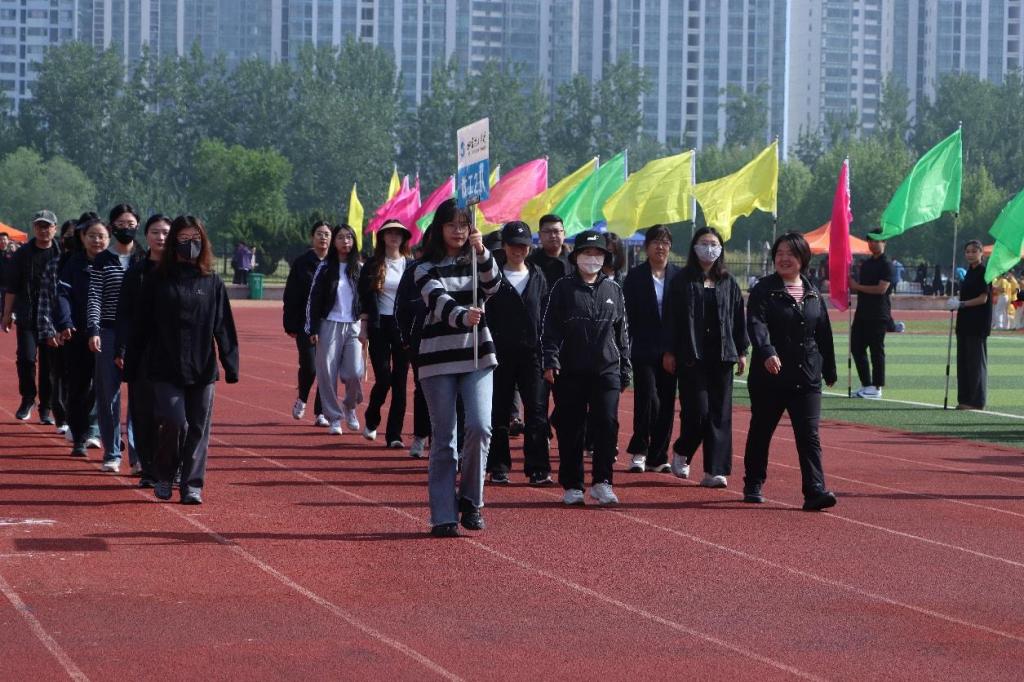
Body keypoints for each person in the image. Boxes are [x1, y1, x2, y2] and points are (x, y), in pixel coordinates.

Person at [134, 215, 238, 504]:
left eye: (195, 239)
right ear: (173, 242)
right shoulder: (156, 280)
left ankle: (192, 484)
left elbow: (223, 325)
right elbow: (141, 325)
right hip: (165, 366)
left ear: (203, 242)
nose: (189, 244)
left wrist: (230, 364)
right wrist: (131, 364)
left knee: (198, 427)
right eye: (183, 238)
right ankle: (165, 473)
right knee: (174, 421)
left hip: (202, 367)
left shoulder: (212, 282)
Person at [414, 199, 501, 537]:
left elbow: (494, 285)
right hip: (438, 359)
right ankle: (443, 515)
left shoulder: (477, 259)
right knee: (444, 439)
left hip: (478, 355)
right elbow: (438, 301)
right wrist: (463, 316)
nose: (458, 231)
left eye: (464, 224)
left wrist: (483, 252)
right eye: (451, 224)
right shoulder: (424, 267)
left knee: (480, 426)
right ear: (439, 228)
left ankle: (471, 500)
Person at [743, 232, 838, 511]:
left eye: (791, 254)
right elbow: (757, 323)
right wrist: (767, 351)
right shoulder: (764, 289)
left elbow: (823, 332)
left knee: (809, 435)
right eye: (780, 253)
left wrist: (829, 368)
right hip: (770, 376)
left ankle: (814, 490)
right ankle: (753, 482)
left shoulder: (812, 292)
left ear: (803, 258)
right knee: (761, 430)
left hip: (806, 376)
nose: (784, 258)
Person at [542, 230, 631, 507]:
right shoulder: (563, 288)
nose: (592, 258)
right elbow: (550, 329)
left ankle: (603, 482)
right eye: (586, 253)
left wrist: (625, 367)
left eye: (597, 254)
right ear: (576, 256)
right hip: (571, 369)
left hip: (607, 369)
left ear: (605, 258)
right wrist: (550, 359)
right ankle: (573, 485)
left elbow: (622, 333)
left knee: (607, 423)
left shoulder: (614, 290)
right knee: (571, 427)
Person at [662, 227, 748, 487]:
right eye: (704, 243)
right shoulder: (681, 281)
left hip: (722, 355)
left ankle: (715, 470)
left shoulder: (728, 282)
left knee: (720, 414)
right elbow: (671, 318)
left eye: (713, 243)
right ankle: (683, 449)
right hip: (691, 355)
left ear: (720, 249)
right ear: (694, 247)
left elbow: (738, 319)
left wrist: (742, 351)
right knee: (698, 412)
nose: (709, 248)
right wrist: (669, 350)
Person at [487, 221, 551, 485]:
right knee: (499, 411)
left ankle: (538, 468)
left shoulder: (538, 276)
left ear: (530, 248)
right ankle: (498, 466)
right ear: (504, 246)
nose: (518, 250)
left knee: (536, 411)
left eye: (523, 245)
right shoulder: (492, 277)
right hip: (499, 354)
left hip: (532, 354)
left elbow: (546, 315)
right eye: (513, 245)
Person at [38, 218, 107, 457]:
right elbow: (63, 295)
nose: (97, 241)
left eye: (101, 236)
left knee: (103, 387)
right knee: (78, 387)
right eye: (92, 236)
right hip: (78, 334)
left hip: (107, 334)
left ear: (108, 239)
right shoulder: (73, 264)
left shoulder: (114, 264)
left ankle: (98, 431)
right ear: (82, 238)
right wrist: (65, 322)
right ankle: (79, 437)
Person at [87, 204, 146, 473]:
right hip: (108, 332)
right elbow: (94, 297)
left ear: (138, 226)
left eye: (130, 224)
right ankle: (112, 452)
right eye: (121, 224)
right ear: (112, 227)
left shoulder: (144, 258)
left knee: (140, 396)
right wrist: (94, 330)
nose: (126, 228)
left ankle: (138, 455)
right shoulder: (102, 260)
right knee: (108, 394)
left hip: (138, 334)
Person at [116, 214, 172, 487]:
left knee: (173, 415)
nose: (161, 237)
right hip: (142, 353)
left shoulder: (181, 271)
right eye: (155, 232)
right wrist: (122, 348)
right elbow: (124, 314)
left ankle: (172, 465)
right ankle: (148, 469)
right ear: (146, 235)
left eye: (166, 232)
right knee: (144, 413)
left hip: (174, 354)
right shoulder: (136, 272)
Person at [623, 225, 680, 474]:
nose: (660, 247)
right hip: (644, 348)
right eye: (655, 242)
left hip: (671, 350)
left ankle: (659, 455)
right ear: (646, 247)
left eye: (665, 242)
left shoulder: (679, 277)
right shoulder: (635, 277)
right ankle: (640, 450)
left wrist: (675, 349)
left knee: (666, 402)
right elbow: (626, 315)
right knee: (647, 399)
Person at [357, 219, 412, 448]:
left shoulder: (410, 265)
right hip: (379, 325)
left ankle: (394, 435)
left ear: (404, 238)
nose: (394, 236)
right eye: (389, 233)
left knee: (400, 381)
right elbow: (363, 298)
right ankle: (372, 417)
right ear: (382, 237)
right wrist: (363, 328)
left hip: (403, 326)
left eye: (398, 233)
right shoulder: (372, 264)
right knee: (384, 378)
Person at [2, 210, 61, 422]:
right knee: (26, 358)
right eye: (39, 226)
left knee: (49, 364)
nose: (44, 230)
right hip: (27, 313)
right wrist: (6, 314)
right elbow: (12, 287)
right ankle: (28, 398)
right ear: (34, 228)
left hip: (53, 317)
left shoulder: (60, 253)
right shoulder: (22, 254)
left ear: (55, 228)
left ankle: (46, 407)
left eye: (47, 226)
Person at [306, 223, 364, 436]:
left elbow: (367, 298)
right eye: (340, 237)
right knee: (327, 374)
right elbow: (313, 298)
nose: (345, 241)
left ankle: (350, 406)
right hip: (329, 324)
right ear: (334, 242)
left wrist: (367, 325)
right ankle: (334, 417)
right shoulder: (325, 268)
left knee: (355, 372)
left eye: (349, 237)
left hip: (353, 325)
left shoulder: (359, 268)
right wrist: (312, 328)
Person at [283, 221, 330, 426]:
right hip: (306, 323)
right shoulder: (302, 263)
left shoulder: (335, 263)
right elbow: (291, 294)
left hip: (330, 322)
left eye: (327, 234)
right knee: (310, 366)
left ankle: (321, 412)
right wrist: (290, 324)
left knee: (326, 369)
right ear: (312, 237)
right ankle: (302, 397)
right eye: (319, 233)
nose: (323, 237)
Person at [848, 230, 894, 399]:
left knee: (876, 350)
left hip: (878, 313)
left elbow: (881, 289)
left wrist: (857, 287)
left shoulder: (887, 264)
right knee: (856, 347)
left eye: (877, 241)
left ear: (884, 242)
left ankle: (877, 386)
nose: (873, 243)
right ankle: (866, 384)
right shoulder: (866, 264)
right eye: (870, 241)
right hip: (862, 312)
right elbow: (861, 287)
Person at [946, 240, 991, 410]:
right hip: (964, 323)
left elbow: (983, 298)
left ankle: (976, 401)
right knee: (963, 363)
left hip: (977, 324)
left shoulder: (985, 272)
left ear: (981, 253)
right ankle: (964, 399)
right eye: (967, 251)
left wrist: (961, 304)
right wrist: (956, 301)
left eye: (973, 251)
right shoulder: (968, 273)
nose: (970, 254)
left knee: (975, 364)